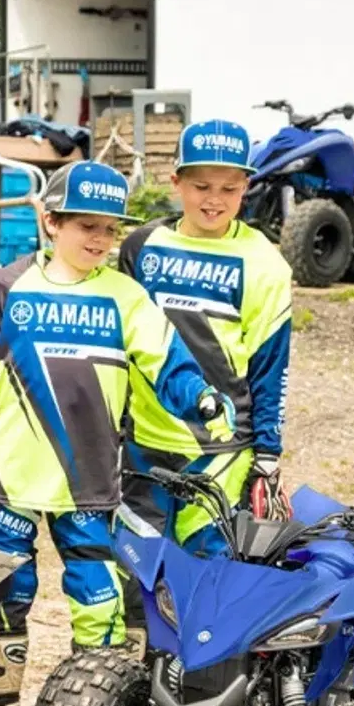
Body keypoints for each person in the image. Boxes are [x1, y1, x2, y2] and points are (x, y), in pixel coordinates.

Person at [0, 160, 237, 706]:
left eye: (109, 230)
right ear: (49, 222)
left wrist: (203, 401)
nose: (98, 240)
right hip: (8, 481)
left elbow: (167, 362)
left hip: (93, 483)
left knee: (99, 604)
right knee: (8, 598)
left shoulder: (125, 294)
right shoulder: (8, 285)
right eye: (84, 226)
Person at [115, 119, 294, 641]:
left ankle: (197, 694)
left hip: (221, 454)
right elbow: (119, 342)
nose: (214, 200)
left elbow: (270, 365)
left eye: (229, 188)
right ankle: (131, 692)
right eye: (201, 186)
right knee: (135, 573)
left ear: (247, 189)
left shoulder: (264, 263)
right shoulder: (141, 247)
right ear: (176, 181)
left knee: (206, 576)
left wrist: (268, 453)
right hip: (142, 446)